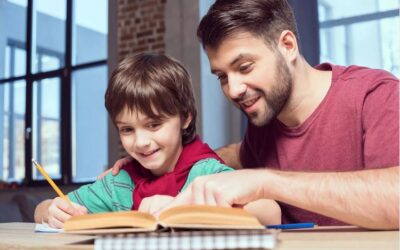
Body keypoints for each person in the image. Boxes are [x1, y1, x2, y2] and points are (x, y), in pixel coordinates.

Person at [109, 0, 399, 229]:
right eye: (222, 76)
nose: (233, 89)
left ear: (287, 46)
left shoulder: (375, 95)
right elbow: (235, 155)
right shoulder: (265, 124)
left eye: (245, 67)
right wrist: (148, 164)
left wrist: (265, 181)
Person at [34, 53, 280, 228]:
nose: (141, 142)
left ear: (185, 117)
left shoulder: (207, 173)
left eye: (154, 125)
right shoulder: (119, 183)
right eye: (127, 129)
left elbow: (270, 212)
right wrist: (50, 212)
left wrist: (185, 208)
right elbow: (42, 209)